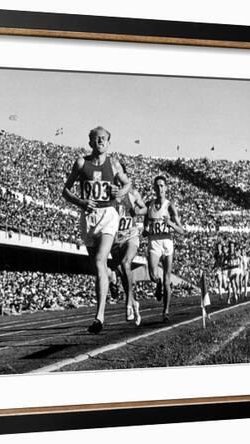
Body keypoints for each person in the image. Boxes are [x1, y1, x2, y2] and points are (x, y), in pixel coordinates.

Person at [62, 126, 131, 334]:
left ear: (109, 143)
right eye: (96, 138)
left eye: (104, 138)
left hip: (108, 215)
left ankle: (99, 316)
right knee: (97, 266)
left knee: (100, 260)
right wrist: (81, 201)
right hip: (88, 218)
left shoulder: (114, 164)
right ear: (90, 142)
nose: (100, 141)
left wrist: (120, 191)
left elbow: (128, 184)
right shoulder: (82, 163)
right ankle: (111, 275)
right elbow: (65, 191)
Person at [143, 175, 185, 323]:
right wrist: (146, 230)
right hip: (154, 242)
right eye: (157, 186)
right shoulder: (149, 205)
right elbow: (145, 227)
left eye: (162, 186)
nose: (159, 188)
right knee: (152, 274)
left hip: (167, 242)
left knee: (167, 279)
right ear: (154, 188)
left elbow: (182, 230)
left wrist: (171, 224)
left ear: (165, 188)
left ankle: (166, 311)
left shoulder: (170, 206)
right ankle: (157, 283)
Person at [110, 168, 147, 326]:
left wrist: (137, 210)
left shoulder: (132, 193)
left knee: (126, 263)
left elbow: (145, 209)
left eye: (120, 174)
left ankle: (128, 304)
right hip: (115, 240)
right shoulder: (109, 191)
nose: (118, 178)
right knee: (123, 274)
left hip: (131, 236)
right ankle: (134, 302)